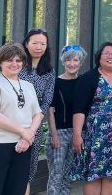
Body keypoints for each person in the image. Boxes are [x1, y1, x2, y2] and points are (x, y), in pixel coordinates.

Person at [0, 44, 45, 195]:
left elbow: (38, 114)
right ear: (0, 63)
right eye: (9, 60)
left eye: (18, 60)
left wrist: (28, 135)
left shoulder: (28, 86)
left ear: (23, 63)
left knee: (16, 190)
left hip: (22, 146)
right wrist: (23, 132)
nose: (14, 64)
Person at [69, 42, 112, 195]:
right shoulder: (88, 78)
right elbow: (79, 109)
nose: (110, 56)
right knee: (93, 175)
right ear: (99, 58)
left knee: (111, 174)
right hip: (94, 135)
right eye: (106, 53)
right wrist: (77, 135)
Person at [18, 28, 56, 194]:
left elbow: (47, 100)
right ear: (26, 44)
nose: (39, 47)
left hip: (35, 123)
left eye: (43, 43)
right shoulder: (16, 65)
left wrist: (34, 125)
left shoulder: (49, 71)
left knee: (28, 168)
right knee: (13, 165)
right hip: (13, 121)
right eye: (35, 43)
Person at [45, 44, 85, 195]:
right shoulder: (55, 83)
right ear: (63, 62)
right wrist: (54, 134)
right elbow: (50, 111)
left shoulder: (83, 82)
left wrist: (79, 135)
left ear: (80, 63)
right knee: (57, 172)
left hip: (76, 133)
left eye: (75, 60)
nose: (72, 64)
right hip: (59, 133)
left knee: (69, 173)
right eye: (68, 60)